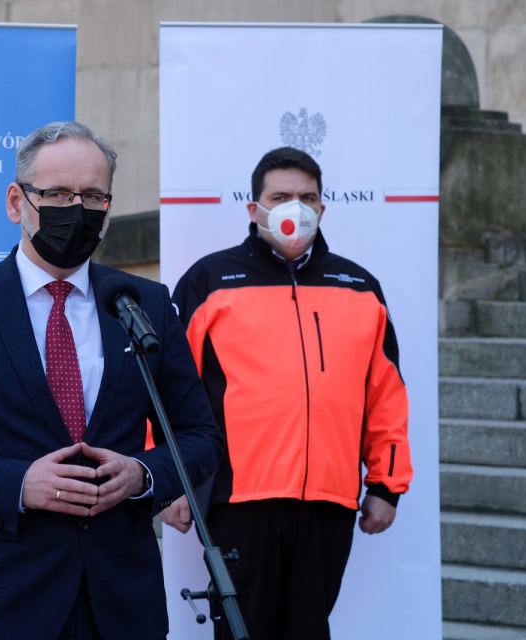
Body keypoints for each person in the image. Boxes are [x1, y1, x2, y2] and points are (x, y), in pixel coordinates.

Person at [0, 121, 222, 640]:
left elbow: (199, 436)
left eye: (92, 196)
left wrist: (142, 475)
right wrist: (18, 484)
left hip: (120, 602)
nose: (76, 209)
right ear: (17, 202)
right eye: (58, 193)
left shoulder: (142, 304)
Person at [162, 146, 413, 640]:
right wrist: (171, 478)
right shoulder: (208, 281)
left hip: (329, 500)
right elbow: (167, 386)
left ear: (322, 208)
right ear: (254, 208)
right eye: (280, 196)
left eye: (306, 197)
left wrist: (386, 486)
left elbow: (386, 394)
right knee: (241, 631)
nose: (294, 207)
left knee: (308, 630)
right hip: (237, 499)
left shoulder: (360, 287)